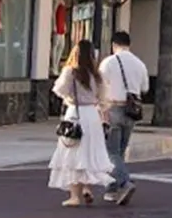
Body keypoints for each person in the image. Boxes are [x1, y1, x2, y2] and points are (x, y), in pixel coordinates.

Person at [48, 39, 112, 206]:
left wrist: (70, 98)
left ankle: (74, 196)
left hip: (75, 114)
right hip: (92, 114)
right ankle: (87, 189)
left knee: (73, 153)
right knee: (89, 153)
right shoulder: (97, 75)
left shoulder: (71, 71)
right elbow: (104, 98)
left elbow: (59, 90)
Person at [99, 29, 149, 206]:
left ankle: (125, 182)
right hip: (131, 111)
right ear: (129, 45)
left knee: (111, 152)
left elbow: (100, 86)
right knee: (119, 152)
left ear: (113, 45)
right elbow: (145, 88)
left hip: (113, 108)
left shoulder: (108, 62)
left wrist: (101, 108)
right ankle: (112, 189)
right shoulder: (139, 64)